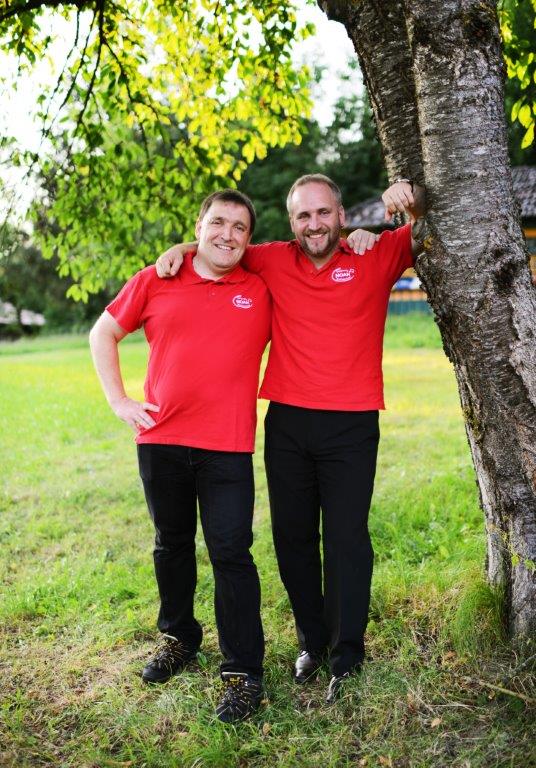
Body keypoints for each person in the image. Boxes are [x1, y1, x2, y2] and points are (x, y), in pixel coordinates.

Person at [156, 176, 425, 703]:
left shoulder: (373, 252)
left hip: (351, 423)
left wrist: (411, 195)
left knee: (346, 539)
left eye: (323, 213)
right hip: (287, 422)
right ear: (291, 222)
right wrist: (181, 248)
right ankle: (312, 641)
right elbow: (222, 246)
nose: (314, 224)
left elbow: (429, 227)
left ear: (342, 215)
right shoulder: (273, 258)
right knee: (292, 538)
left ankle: (347, 656)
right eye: (304, 216)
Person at [89, 190, 272, 723]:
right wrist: (119, 401)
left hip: (227, 445)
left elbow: (307, 253)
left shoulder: (260, 288)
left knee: (231, 552)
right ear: (198, 226)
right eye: (217, 223)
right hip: (161, 439)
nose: (227, 234)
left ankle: (242, 672)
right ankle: (179, 638)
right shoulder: (156, 278)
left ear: (249, 238)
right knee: (170, 544)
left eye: (239, 227)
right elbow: (103, 332)